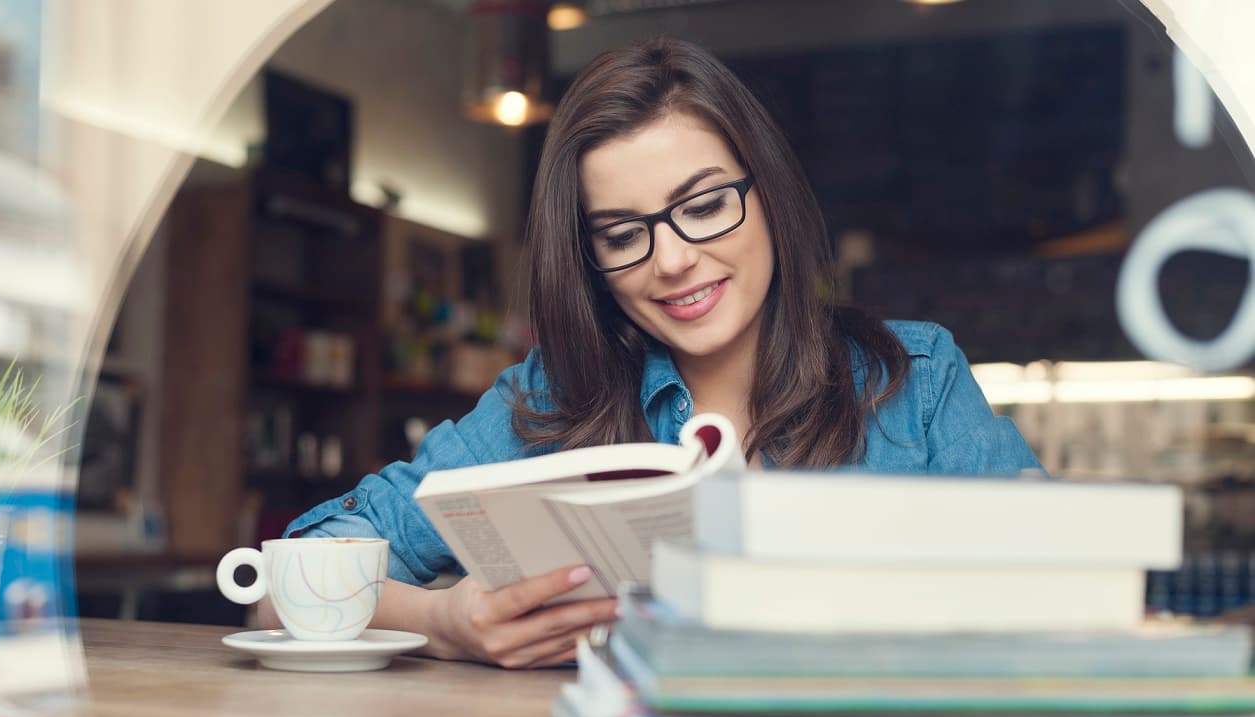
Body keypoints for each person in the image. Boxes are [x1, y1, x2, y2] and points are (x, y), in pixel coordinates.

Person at [263, 36, 1043, 667]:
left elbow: (1062, 595)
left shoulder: (916, 379)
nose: (670, 260)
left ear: (766, 193)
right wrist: (443, 620)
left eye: (703, 205)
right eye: (622, 233)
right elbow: (278, 586)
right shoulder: (549, 400)